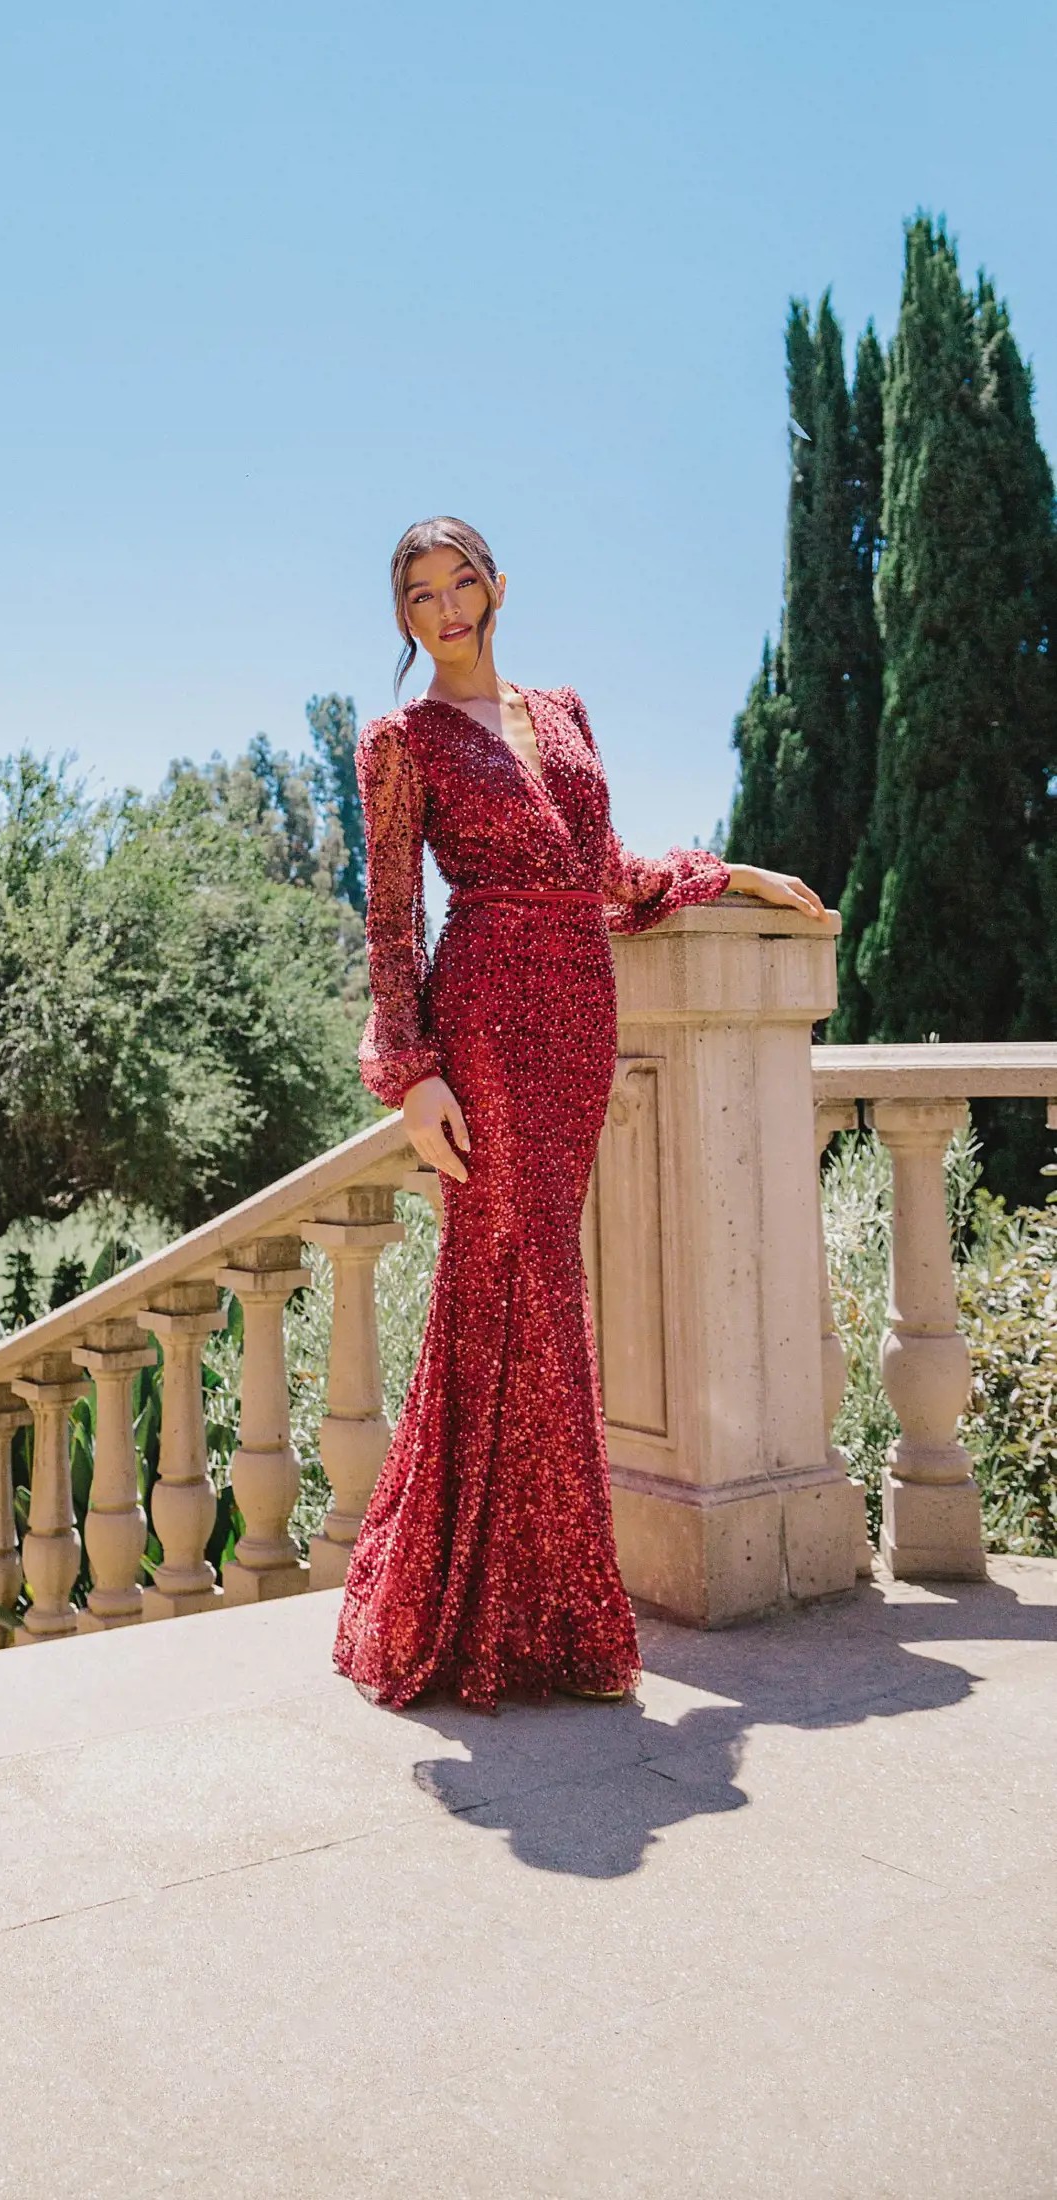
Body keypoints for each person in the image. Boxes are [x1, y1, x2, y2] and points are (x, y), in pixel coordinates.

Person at [332, 515, 823, 1709]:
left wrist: (737, 875)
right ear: (400, 617)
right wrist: (414, 1072)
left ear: (497, 586)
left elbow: (604, 872)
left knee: (523, 1289)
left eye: (461, 584)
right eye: (418, 596)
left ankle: (505, 1600)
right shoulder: (397, 740)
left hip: (577, 1012)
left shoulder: (561, 709)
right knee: (518, 1283)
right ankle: (515, 1617)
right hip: (490, 1011)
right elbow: (392, 923)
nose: (445, 609)